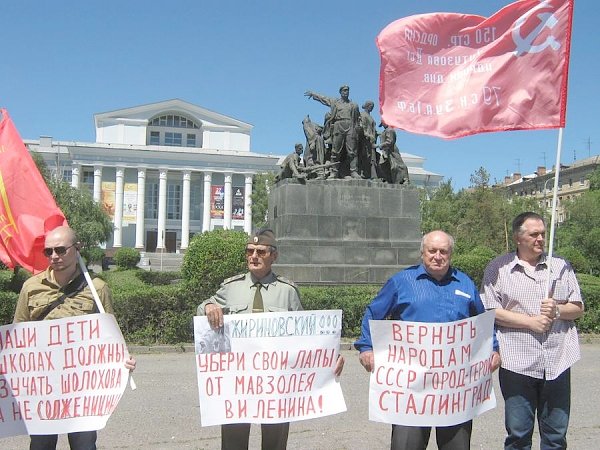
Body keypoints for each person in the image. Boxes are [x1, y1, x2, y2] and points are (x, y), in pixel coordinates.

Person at [198, 228, 344, 450]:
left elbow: (307, 335)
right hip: (238, 381)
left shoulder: (287, 292)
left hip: (277, 382)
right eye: (249, 251)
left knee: (275, 440)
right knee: (233, 439)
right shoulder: (230, 288)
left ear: (273, 256)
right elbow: (203, 310)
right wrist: (209, 306)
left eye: (260, 252)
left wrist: (329, 357)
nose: (253, 256)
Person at [355, 230, 501, 450]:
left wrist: (494, 349)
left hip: (455, 389)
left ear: (450, 253)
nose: (438, 256)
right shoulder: (401, 282)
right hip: (410, 388)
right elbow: (373, 313)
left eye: (444, 251)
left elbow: (482, 322)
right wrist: (366, 348)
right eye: (432, 250)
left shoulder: (465, 283)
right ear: (422, 252)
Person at [13, 225, 136, 450]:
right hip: (42, 386)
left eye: (61, 250)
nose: (54, 256)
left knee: (83, 444)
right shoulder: (31, 287)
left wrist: (124, 360)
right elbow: (18, 336)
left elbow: (110, 338)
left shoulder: (97, 288)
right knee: (40, 444)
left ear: (77, 248)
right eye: (48, 251)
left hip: (81, 388)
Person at [481, 212, 584, 450]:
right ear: (518, 237)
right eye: (533, 234)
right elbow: (489, 310)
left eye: (543, 234)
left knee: (556, 436)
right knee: (518, 434)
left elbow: (577, 307)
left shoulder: (560, 266)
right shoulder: (499, 268)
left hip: (557, 361)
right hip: (518, 363)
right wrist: (530, 322)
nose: (540, 239)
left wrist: (557, 309)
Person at [305, 85, 361, 179]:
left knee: (352, 151)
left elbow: (358, 118)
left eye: (347, 90)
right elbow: (324, 99)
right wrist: (314, 94)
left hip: (350, 126)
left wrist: (357, 128)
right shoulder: (335, 102)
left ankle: (354, 171)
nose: (346, 92)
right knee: (335, 151)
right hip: (338, 126)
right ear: (340, 92)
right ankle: (334, 172)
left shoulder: (353, 105)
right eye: (344, 90)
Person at [357, 100, 378, 179]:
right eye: (370, 106)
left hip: (372, 140)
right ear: (367, 106)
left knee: (372, 157)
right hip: (365, 139)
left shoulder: (371, 117)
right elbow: (362, 126)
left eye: (372, 107)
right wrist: (368, 134)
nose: (371, 108)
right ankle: (363, 172)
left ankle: (371, 174)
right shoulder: (362, 114)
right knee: (365, 156)